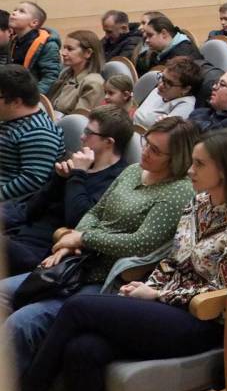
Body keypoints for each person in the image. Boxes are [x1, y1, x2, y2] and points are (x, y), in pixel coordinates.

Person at [13, 130, 227, 391]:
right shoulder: (199, 204)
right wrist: (147, 285)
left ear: (224, 170)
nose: (190, 170)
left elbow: (221, 291)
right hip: (163, 304)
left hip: (200, 320)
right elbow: (172, 261)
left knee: (78, 307)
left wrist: (158, 294)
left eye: (199, 164)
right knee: (83, 348)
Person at [1, 116, 196, 379]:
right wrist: (72, 241)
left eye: (156, 150)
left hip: (109, 276)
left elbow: (141, 243)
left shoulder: (179, 191)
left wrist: (82, 239)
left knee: (22, 322)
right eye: (146, 143)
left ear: (177, 158)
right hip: (78, 261)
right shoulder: (132, 171)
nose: (146, 152)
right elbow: (94, 212)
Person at [2, 105, 131, 276]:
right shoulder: (78, 162)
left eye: (89, 133)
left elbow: (79, 222)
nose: (82, 137)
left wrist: (78, 175)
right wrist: (59, 178)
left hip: (46, 251)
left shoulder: (116, 181)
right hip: (20, 233)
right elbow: (32, 208)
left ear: (108, 142)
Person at [0, 66, 64, 202]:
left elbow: (32, 180)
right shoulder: (11, 119)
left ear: (16, 102)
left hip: (9, 205)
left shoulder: (39, 132)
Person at [6, 2, 62, 94]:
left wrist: (33, 97)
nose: (14, 13)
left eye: (22, 11)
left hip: (32, 96)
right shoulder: (14, 40)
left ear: (34, 22)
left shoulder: (48, 44)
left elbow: (50, 77)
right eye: (15, 10)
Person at [46, 30, 105, 117]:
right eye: (64, 48)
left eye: (70, 49)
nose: (63, 53)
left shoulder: (93, 83)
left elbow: (78, 120)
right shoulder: (66, 74)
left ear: (88, 53)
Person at [133, 55, 201, 128]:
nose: (160, 85)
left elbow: (163, 133)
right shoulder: (161, 90)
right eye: (162, 77)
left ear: (186, 89)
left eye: (169, 83)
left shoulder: (185, 107)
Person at [135, 15, 203, 76]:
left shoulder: (182, 57)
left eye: (150, 35)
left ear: (164, 33)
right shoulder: (159, 51)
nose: (146, 40)